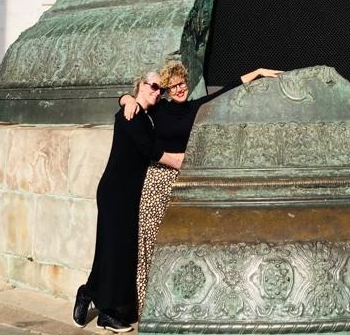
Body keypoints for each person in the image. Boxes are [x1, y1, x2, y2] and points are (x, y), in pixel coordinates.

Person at [120, 59, 281, 312]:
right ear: (166, 91)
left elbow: (228, 89)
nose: (179, 89)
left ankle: (177, 300)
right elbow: (136, 101)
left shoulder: (197, 107)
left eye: (181, 83)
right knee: (150, 240)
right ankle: (146, 304)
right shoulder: (157, 109)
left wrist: (258, 72)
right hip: (157, 179)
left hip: (184, 179)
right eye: (172, 87)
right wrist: (125, 99)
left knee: (180, 241)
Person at [72, 72, 184, 333]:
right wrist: (184, 161)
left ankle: (88, 292)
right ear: (140, 86)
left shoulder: (145, 115)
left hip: (131, 193)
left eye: (160, 89)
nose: (157, 92)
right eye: (153, 86)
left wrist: (125, 98)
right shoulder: (130, 114)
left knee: (114, 249)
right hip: (116, 192)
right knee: (114, 249)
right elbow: (152, 150)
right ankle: (107, 314)